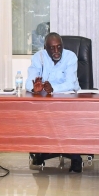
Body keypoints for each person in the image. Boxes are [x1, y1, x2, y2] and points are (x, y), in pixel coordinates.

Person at [26, 33, 84, 173]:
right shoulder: (38, 57)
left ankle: (75, 157)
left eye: (59, 47)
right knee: (37, 116)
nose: (56, 51)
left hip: (70, 98)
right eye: (52, 48)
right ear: (45, 48)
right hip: (47, 100)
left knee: (68, 119)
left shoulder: (70, 57)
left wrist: (54, 89)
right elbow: (29, 81)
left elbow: (70, 83)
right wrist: (34, 88)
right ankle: (42, 151)